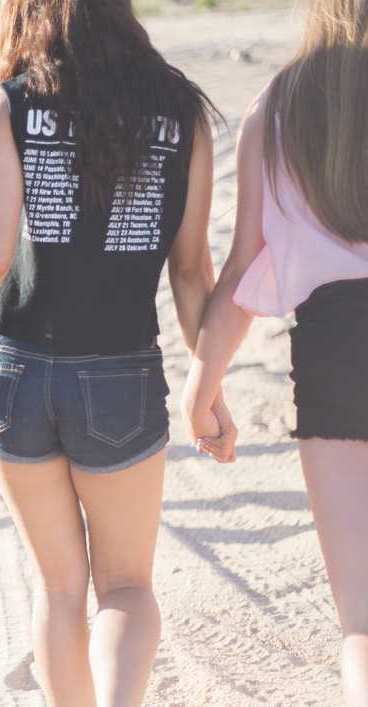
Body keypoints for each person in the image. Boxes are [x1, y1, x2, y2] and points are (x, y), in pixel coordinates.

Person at [0, 0, 233, 704]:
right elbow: (193, 273)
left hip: (14, 371)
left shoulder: (6, 107)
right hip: (121, 372)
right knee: (125, 587)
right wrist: (208, 385)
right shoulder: (180, 110)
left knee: (58, 589)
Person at [183, 0, 368, 701]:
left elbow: (239, 271)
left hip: (332, 351)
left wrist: (203, 384)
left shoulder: (278, 106)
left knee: (361, 620)